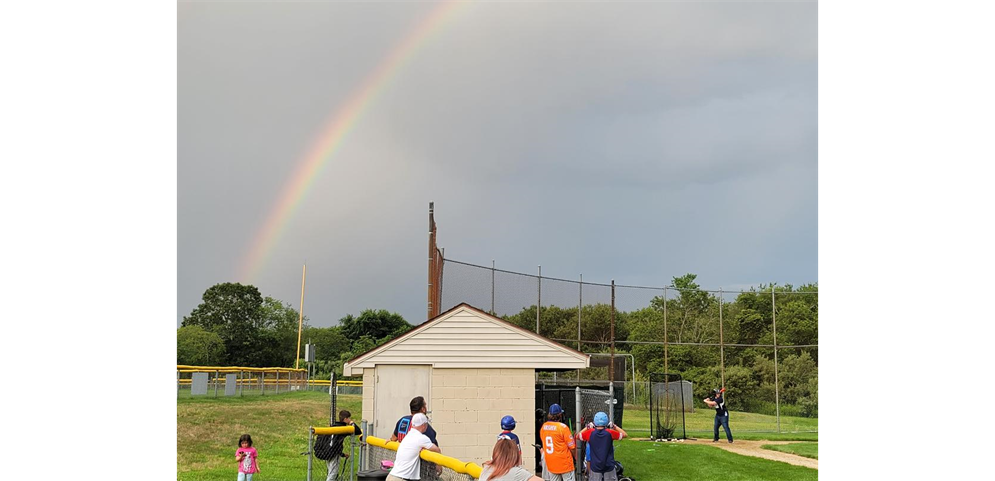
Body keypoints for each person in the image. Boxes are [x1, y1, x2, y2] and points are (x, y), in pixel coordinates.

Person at [386, 413, 441, 481]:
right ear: (423, 425)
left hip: (392, 476)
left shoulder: (408, 435)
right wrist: (439, 465)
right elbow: (437, 450)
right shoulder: (421, 438)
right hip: (401, 478)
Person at [576, 412, 627, 481]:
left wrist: (587, 427)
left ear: (595, 422)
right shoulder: (610, 432)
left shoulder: (590, 432)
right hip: (609, 466)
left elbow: (578, 436)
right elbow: (625, 434)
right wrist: (614, 426)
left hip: (595, 466)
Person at [539, 403, 576, 481]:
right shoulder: (563, 427)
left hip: (551, 463)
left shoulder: (544, 427)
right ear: (560, 415)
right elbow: (572, 447)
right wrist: (576, 458)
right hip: (564, 463)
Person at [324, 410, 363, 481]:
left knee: (331, 472)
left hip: (327, 451)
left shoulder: (334, 425)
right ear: (345, 419)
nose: (350, 420)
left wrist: (342, 454)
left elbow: (334, 442)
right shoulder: (343, 428)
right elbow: (358, 431)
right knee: (333, 474)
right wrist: (352, 423)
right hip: (334, 453)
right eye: (349, 418)